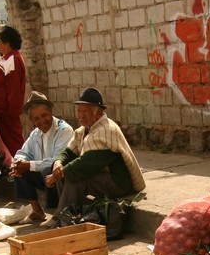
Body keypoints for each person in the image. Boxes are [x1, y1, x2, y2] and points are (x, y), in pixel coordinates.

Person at [48, 87, 146, 228]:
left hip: (118, 183)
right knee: (62, 171)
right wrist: (58, 163)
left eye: (85, 111)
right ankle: (72, 214)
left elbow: (85, 164)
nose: (81, 115)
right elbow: (68, 152)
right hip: (102, 178)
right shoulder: (84, 131)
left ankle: (61, 218)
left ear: (98, 112)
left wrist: (58, 174)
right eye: (79, 111)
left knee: (75, 177)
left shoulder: (106, 130)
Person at [8, 91, 73, 222]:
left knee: (49, 169)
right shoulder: (35, 134)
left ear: (51, 113)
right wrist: (18, 162)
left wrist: (30, 165)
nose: (42, 121)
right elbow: (23, 152)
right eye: (36, 118)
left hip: (63, 177)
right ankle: (37, 210)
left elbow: (57, 160)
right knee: (19, 169)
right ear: (32, 121)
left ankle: (58, 213)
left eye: (44, 115)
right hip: (44, 177)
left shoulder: (64, 130)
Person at [0, 25, 26, 169]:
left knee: (15, 142)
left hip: (7, 112)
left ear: (7, 43)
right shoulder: (6, 59)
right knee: (9, 141)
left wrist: (12, 111)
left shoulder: (13, 60)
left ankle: (26, 169)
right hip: (1, 110)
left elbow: (14, 89)